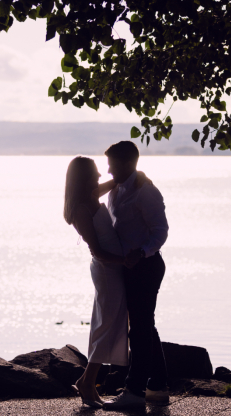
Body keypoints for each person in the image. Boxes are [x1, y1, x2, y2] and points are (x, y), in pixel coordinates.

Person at [63, 156, 149, 408]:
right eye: (95, 172)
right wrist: (124, 261)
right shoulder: (80, 209)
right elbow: (97, 251)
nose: (100, 175)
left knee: (109, 322)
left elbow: (111, 183)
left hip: (114, 268)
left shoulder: (90, 196)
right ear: (84, 177)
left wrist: (134, 175)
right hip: (107, 270)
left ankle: (86, 381)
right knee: (107, 324)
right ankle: (87, 382)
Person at [96, 141, 169, 410]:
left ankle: (135, 390)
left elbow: (160, 230)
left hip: (146, 266)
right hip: (129, 267)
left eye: (112, 165)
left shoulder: (145, 192)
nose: (108, 170)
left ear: (127, 164)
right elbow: (91, 192)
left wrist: (142, 252)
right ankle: (158, 386)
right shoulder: (119, 187)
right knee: (144, 325)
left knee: (138, 329)